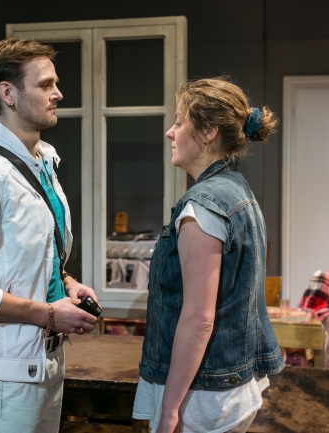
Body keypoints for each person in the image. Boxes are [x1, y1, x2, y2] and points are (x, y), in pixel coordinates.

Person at [0, 38, 98, 433]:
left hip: (46, 359)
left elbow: (34, 256)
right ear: (7, 94)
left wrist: (66, 282)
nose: (58, 94)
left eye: (55, 83)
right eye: (45, 85)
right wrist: (48, 314)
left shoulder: (44, 161)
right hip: (7, 373)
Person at [132, 77, 285, 433]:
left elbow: (199, 319)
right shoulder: (237, 190)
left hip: (203, 398)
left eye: (179, 122)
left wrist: (169, 409)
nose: (170, 133)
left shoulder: (202, 207)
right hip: (229, 387)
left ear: (207, 132)